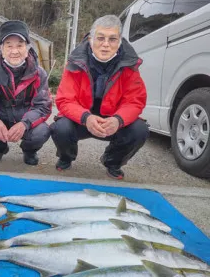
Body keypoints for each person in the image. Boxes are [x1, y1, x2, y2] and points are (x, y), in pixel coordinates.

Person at [51, 15, 149, 179]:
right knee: (60, 128)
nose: (105, 45)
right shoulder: (74, 62)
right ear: (91, 39)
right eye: (100, 38)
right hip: (81, 120)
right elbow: (65, 100)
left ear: (119, 42)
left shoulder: (130, 66)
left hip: (111, 121)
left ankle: (112, 161)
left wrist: (118, 119)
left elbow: (135, 101)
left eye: (112, 39)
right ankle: (66, 157)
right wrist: (86, 118)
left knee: (140, 130)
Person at [0, 20, 52, 165]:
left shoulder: (40, 74)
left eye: (20, 45)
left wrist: (24, 124)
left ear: (27, 48)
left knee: (42, 130)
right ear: (1, 49)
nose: (14, 51)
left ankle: (29, 151)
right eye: (9, 45)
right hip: (1, 117)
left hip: (26, 118)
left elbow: (43, 107)